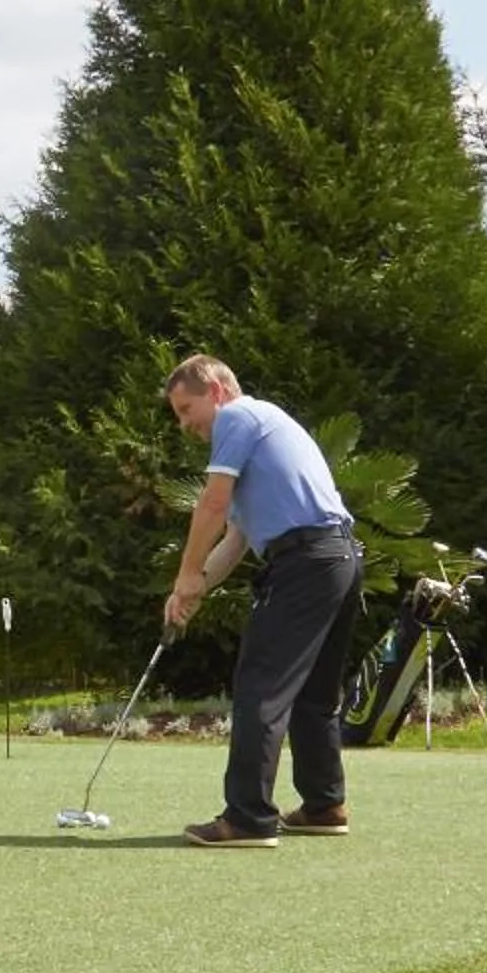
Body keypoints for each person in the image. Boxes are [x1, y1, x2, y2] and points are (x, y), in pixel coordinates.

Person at [163, 354, 363, 848]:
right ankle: (324, 806)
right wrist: (193, 589)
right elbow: (235, 540)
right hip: (337, 559)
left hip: (306, 563)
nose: (184, 425)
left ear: (216, 390)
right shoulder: (259, 431)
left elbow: (211, 503)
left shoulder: (238, 416)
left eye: (186, 409)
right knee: (314, 694)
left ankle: (248, 819)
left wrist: (186, 571)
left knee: (261, 686)